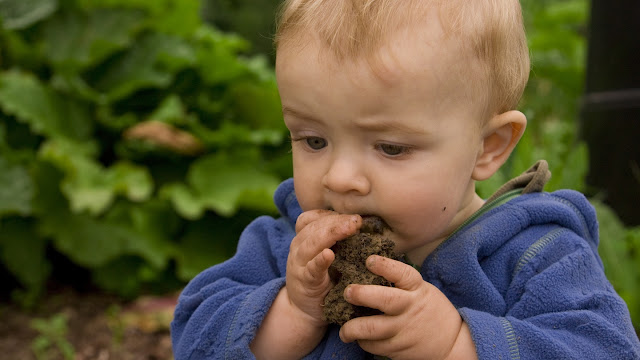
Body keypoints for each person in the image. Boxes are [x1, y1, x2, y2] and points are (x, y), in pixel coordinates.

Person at [171, 0, 640, 358]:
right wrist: (290, 314)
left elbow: (605, 348)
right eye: (313, 140)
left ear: (488, 147)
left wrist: (457, 344)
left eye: (391, 147)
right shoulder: (286, 249)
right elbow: (194, 334)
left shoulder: (536, 257)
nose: (341, 178)